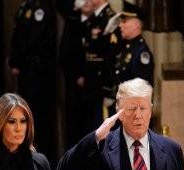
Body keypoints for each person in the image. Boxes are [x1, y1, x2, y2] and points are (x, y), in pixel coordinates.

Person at [8, 0, 56, 161]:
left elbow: (34, 38)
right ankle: (28, 155)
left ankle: (43, 158)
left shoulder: (42, 7)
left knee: (39, 116)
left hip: (38, 72)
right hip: (27, 71)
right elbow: (17, 35)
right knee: (27, 113)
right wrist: (14, 61)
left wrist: (18, 60)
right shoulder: (25, 7)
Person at [81, 0, 119, 133]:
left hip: (101, 83)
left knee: (102, 129)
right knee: (91, 127)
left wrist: (109, 88)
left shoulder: (110, 18)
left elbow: (111, 57)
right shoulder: (94, 17)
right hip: (91, 83)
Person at [57, 0, 91, 146]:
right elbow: (63, 57)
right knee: (74, 127)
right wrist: (76, 77)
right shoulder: (72, 24)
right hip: (74, 86)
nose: (88, 3)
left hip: (94, 87)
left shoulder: (100, 22)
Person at [106, 1, 153, 104]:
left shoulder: (141, 53)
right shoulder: (128, 47)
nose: (120, 25)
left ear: (136, 25)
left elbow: (141, 88)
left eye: (124, 21)